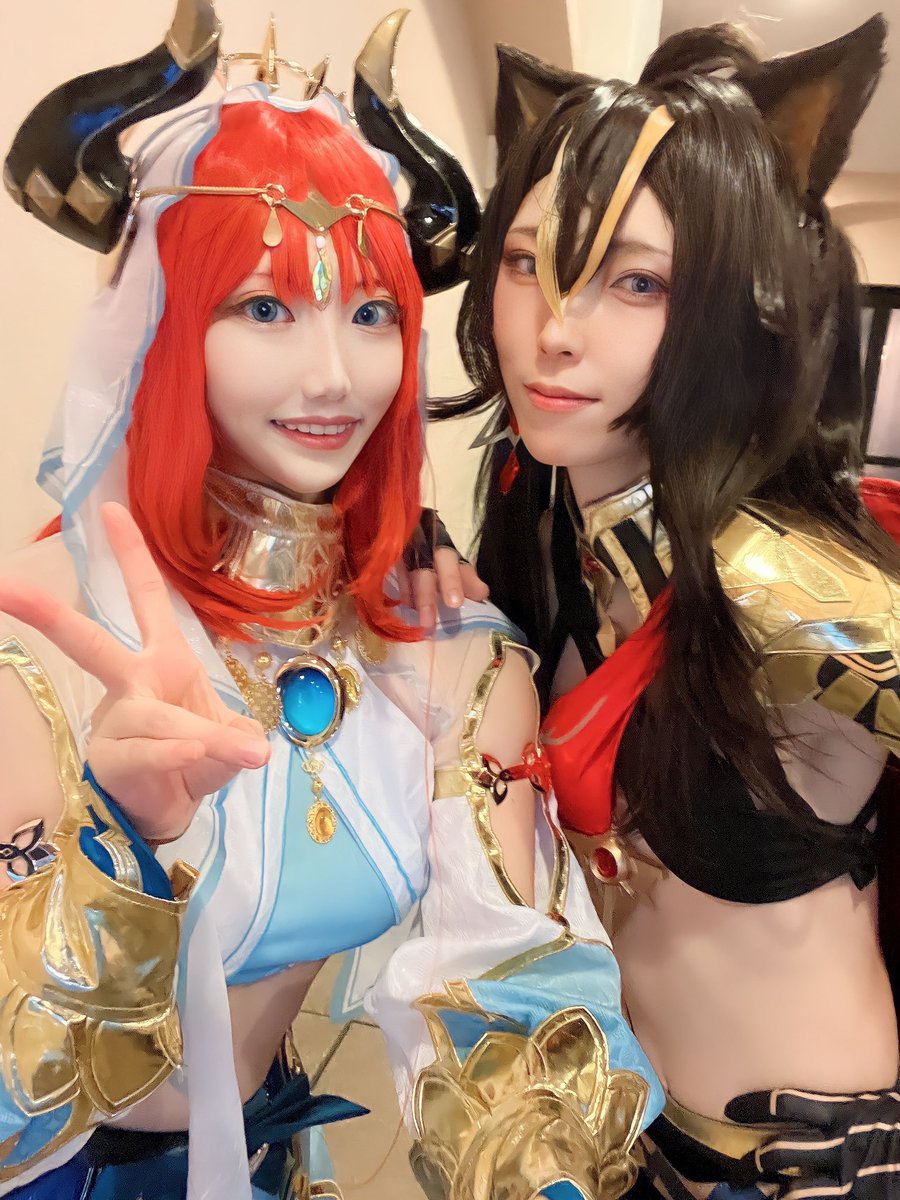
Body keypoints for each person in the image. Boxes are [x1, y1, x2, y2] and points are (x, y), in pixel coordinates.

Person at [0, 3, 663, 1198]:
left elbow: (511, 1019)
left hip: (270, 1158)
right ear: (159, 326)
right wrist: (121, 849)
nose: (334, 375)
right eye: (264, 307)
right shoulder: (40, 642)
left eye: (370, 315)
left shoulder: (449, 650)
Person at [439, 14, 900, 1200]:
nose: (555, 331)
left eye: (637, 282)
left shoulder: (791, 592)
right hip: (631, 1141)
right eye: (530, 261)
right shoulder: (541, 528)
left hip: (812, 1168)